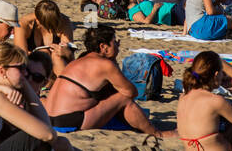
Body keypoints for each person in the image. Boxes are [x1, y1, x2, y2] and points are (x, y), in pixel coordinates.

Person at [42, 26, 171, 137]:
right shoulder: (105, 65)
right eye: (114, 42)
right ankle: (156, 134)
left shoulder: (80, 60)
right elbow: (131, 92)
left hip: (50, 120)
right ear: (103, 47)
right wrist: (113, 61)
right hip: (70, 122)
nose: (118, 45)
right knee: (122, 98)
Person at [16, 0, 75, 75]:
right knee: (43, 53)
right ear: (38, 20)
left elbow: (71, 58)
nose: (51, 30)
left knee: (57, 55)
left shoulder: (63, 22)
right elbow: (21, 57)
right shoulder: (24, 24)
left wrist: (66, 52)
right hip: (34, 67)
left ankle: (63, 84)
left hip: (56, 66)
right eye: (48, 26)